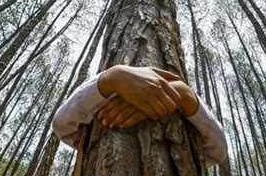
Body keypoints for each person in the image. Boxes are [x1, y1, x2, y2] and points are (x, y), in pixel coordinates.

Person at [52, 65, 227, 167]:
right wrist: (112, 77)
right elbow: (62, 125)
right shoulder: (100, 89)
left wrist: (186, 96)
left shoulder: (185, 101)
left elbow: (218, 151)